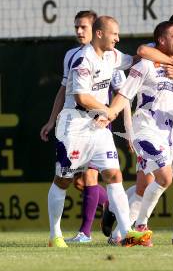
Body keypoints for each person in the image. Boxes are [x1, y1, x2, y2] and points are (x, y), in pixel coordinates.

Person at [48, 15, 151, 247]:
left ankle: (126, 232)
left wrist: (155, 51)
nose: (118, 38)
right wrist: (108, 110)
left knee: (114, 175)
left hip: (99, 126)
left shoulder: (111, 55)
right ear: (100, 34)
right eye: (114, 34)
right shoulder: (83, 59)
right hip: (74, 125)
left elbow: (134, 60)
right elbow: (81, 97)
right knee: (63, 180)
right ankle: (55, 234)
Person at [104, 12, 173, 245]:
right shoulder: (149, 60)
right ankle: (132, 228)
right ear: (163, 38)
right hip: (147, 129)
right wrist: (110, 112)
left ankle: (171, 234)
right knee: (154, 181)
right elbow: (126, 91)